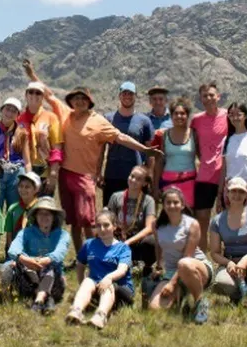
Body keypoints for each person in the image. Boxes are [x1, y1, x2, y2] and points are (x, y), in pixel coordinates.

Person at [32, 74, 161, 255]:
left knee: (88, 221)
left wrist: (145, 150)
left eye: (83, 99)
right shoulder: (65, 113)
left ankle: (95, 256)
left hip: (85, 177)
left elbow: (121, 137)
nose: (79, 102)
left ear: (89, 102)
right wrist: (31, 74)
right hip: (65, 175)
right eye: (76, 98)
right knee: (74, 222)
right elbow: (48, 94)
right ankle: (80, 257)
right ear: (71, 101)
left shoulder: (98, 120)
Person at [148, 188, 213, 324]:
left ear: (182, 205)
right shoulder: (157, 225)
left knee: (184, 263)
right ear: (163, 205)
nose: (172, 206)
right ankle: (181, 296)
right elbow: (159, 246)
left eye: (176, 202)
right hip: (172, 271)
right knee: (154, 308)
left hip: (195, 268)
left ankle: (200, 302)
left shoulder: (192, 224)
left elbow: (187, 256)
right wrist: (159, 267)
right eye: (168, 203)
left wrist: (172, 283)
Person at [208, 178, 247, 308]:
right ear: (227, 193)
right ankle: (238, 295)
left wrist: (245, 260)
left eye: (241, 192)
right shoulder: (217, 220)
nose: (237, 195)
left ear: (246, 195)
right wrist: (229, 263)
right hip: (230, 263)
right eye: (233, 191)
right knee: (221, 284)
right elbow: (214, 252)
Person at [65, 211, 134, 329]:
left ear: (114, 226)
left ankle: (100, 316)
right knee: (88, 281)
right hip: (97, 288)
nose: (102, 229)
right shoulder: (89, 244)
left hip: (120, 290)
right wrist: (83, 286)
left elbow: (122, 270)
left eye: (106, 225)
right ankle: (76, 311)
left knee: (108, 284)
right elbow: (80, 265)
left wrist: (108, 278)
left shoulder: (123, 248)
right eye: (98, 225)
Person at [4, 197, 71, 315]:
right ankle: (45, 299)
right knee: (21, 266)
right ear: (35, 216)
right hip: (30, 276)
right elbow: (13, 249)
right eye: (40, 214)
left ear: (54, 216)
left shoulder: (63, 235)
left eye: (48, 214)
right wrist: (26, 259)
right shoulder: (26, 232)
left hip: (54, 277)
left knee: (50, 267)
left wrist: (43, 261)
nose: (44, 217)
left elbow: (59, 254)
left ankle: (38, 301)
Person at [105, 165, 157, 300]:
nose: (133, 180)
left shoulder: (148, 200)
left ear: (145, 183)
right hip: (118, 238)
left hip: (136, 241)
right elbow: (108, 220)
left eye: (138, 179)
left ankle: (146, 267)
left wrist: (128, 242)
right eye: (132, 176)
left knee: (152, 241)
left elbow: (149, 227)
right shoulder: (116, 197)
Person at [100, 81, 154, 208]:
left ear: (136, 96)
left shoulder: (144, 121)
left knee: (135, 213)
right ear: (119, 95)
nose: (127, 96)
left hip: (137, 176)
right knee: (110, 212)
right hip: (112, 174)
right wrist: (98, 173)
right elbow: (101, 148)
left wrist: (149, 174)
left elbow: (150, 151)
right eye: (124, 93)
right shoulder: (108, 118)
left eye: (130, 93)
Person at [190, 82, 228, 249]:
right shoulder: (197, 120)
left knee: (228, 218)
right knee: (202, 218)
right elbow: (194, 143)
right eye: (205, 96)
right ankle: (202, 259)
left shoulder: (228, 116)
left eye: (212, 95)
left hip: (226, 175)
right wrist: (203, 158)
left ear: (218, 96)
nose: (209, 98)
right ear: (201, 99)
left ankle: (229, 258)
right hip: (205, 174)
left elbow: (242, 130)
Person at [19, 67, 64, 197]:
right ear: (26, 95)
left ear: (43, 97)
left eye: (38, 93)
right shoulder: (19, 119)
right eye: (31, 92)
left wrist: (53, 174)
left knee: (44, 213)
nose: (34, 95)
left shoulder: (51, 118)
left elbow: (56, 149)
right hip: (23, 175)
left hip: (44, 174)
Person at [0, 97, 31, 210]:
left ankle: (14, 228)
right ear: (2, 110)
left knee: (15, 210)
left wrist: (29, 179)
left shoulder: (22, 133)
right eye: (7, 109)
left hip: (16, 175)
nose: (9, 113)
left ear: (18, 115)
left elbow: (27, 161)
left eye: (14, 111)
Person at [151, 98, 197, 206]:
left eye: (182, 113)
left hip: (189, 181)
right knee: (170, 215)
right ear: (171, 116)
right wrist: (156, 186)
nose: (179, 116)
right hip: (169, 181)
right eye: (176, 113)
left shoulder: (194, 134)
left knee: (188, 216)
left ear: (188, 115)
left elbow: (201, 158)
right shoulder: (165, 135)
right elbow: (160, 162)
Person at [3, 171, 41, 254]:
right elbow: (9, 233)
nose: (23, 189)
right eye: (20, 186)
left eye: (27, 187)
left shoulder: (40, 209)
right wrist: (11, 252)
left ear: (36, 189)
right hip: (15, 252)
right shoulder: (13, 208)